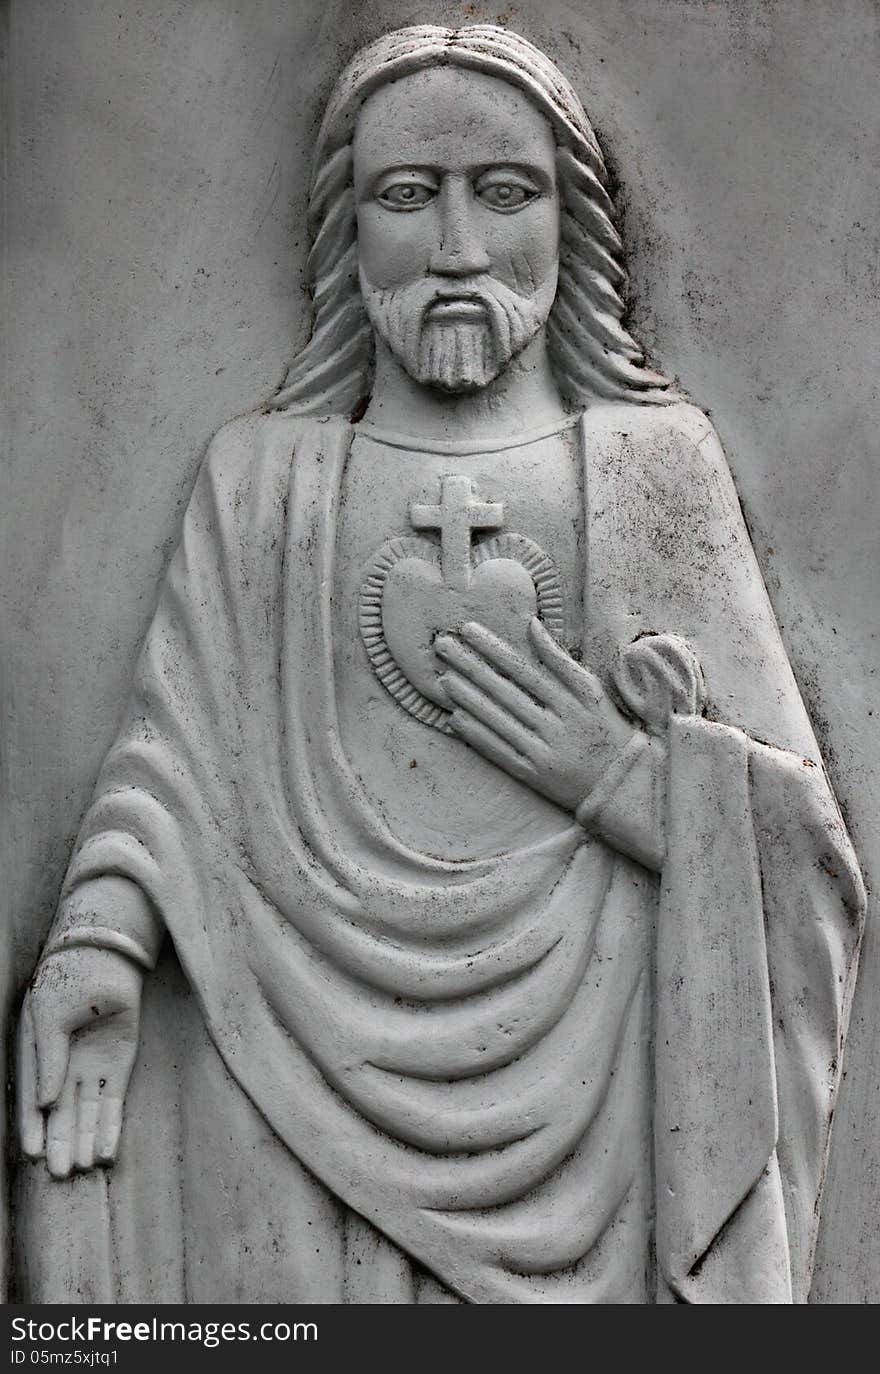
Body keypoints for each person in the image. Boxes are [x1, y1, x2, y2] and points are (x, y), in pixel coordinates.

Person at [17, 25, 864, 1304]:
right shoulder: (266, 486)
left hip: (602, 1110)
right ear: (344, 233)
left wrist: (619, 782)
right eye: (407, 197)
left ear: (572, 223)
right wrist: (100, 943)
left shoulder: (653, 471)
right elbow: (173, 764)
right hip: (286, 1088)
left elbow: (805, 860)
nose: (458, 248)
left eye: (504, 193)